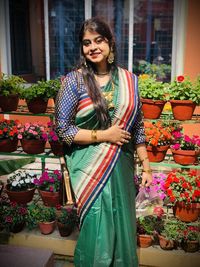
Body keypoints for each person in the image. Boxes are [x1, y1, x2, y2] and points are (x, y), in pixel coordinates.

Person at [55, 17, 152, 267]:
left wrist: (147, 165)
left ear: (110, 43)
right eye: (86, 43)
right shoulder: (74, 81)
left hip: (121, 168)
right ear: (82, 48)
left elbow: (138, 126)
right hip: (90, 171)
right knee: (97, 226)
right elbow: (63, 130)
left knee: (122, 225)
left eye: (98, 40)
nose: (93, 47)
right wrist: (104, 135)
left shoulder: (129, 81)